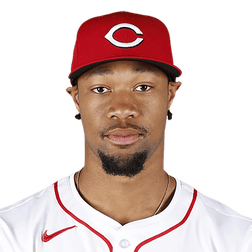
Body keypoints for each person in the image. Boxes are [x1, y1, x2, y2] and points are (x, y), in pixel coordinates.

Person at [0, 8, 251, 252]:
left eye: (143, 87)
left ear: (171, 94)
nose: (122, 109)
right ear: (75, 98)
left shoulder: (237, 238)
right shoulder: (11, 234)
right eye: (100, 89)